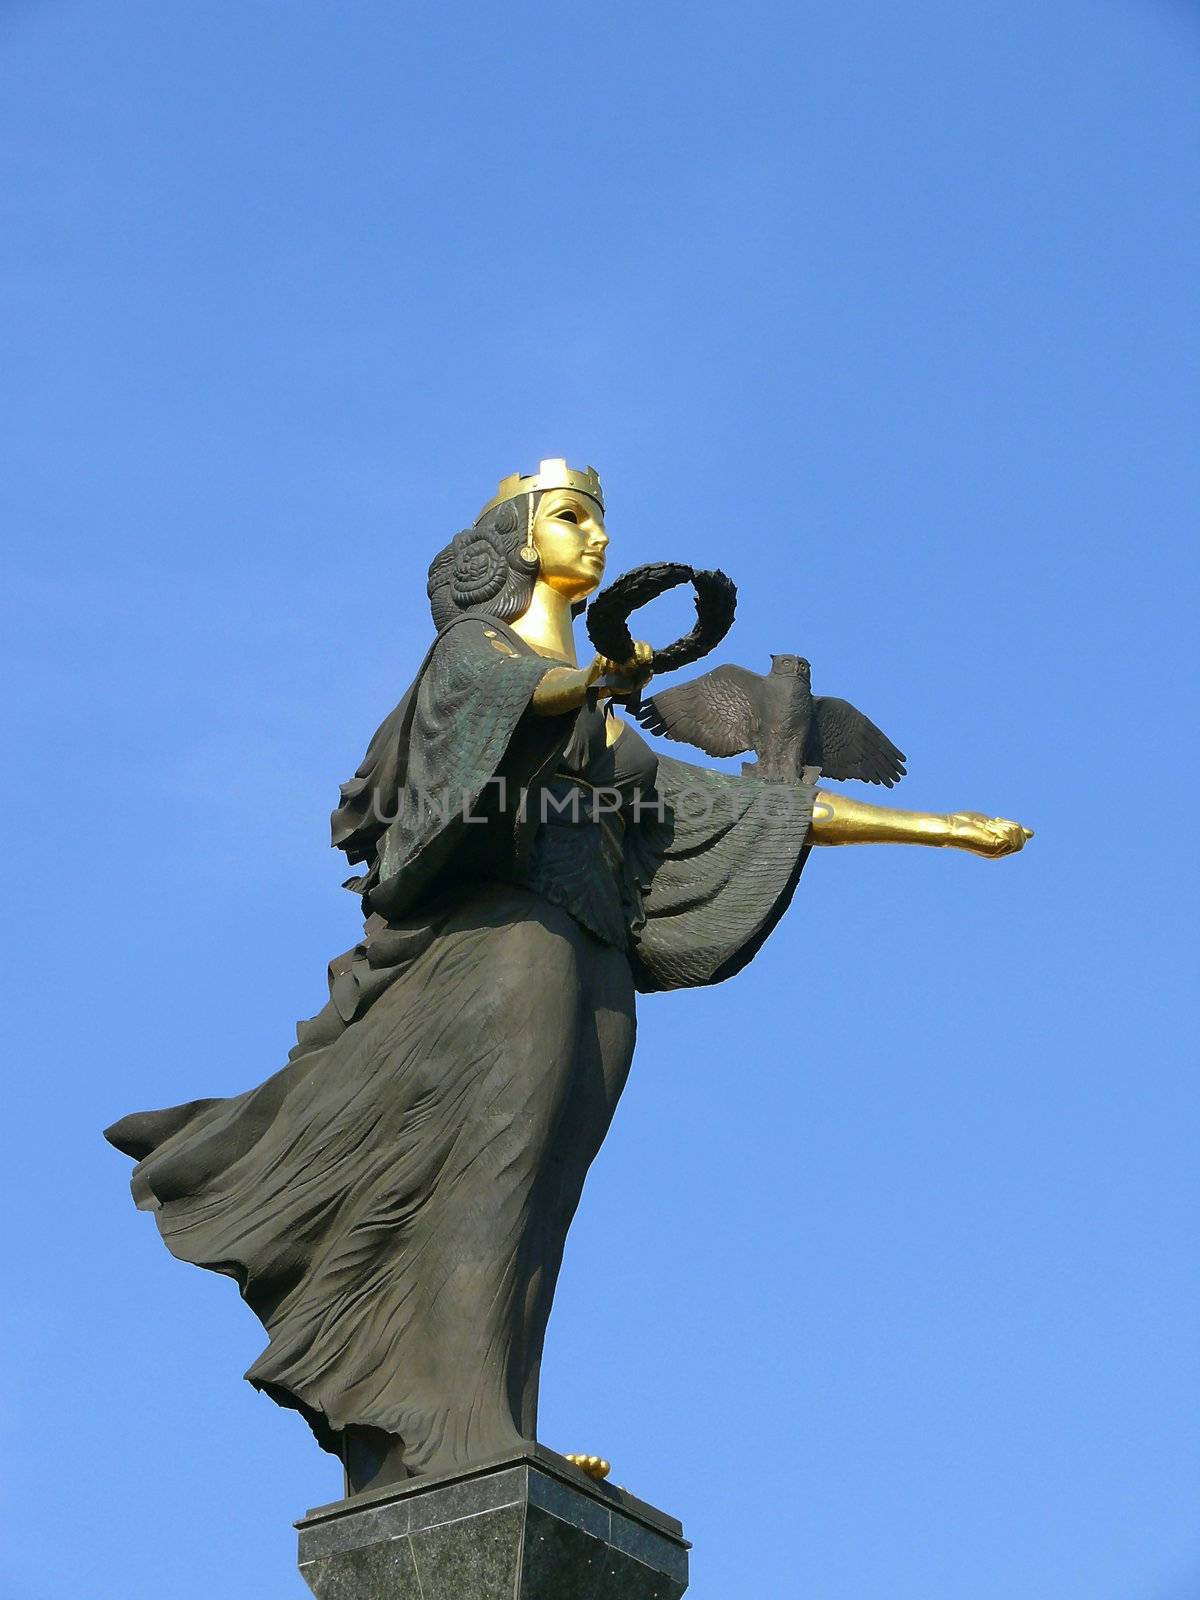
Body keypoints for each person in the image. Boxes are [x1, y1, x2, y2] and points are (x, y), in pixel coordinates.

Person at [105, 460, 1031, 1491]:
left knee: (544, 1190)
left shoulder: (602, 721)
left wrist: (939, 829)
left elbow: (744, 807)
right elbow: (511, 699)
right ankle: (456, 1432)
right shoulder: (477, 656)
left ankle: (495, 1418)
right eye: (572, 517)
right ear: (512, 542)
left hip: (593, 960)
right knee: (492, 1176)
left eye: (601, 522)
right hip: (507, 948)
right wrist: (595, 680)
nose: (596, 537)